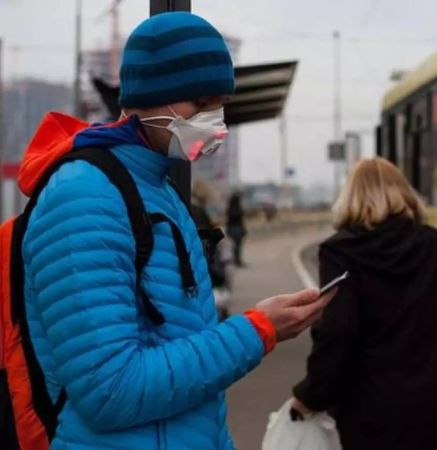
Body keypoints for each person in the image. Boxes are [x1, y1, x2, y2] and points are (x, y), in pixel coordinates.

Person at [19, 12, 335, 449]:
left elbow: (189, 382)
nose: (214, 119)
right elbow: (110, 390)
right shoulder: (84, 198)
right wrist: (258, 329)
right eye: (200, 103)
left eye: (219, 104)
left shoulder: (157, 190)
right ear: (150, 97)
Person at [290, 157, 437, 450]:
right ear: (403, 192)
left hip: (370, 407)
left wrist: (309, 396)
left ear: (351, 196)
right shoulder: (436, 243)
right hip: (436, 405)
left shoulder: (340, 252)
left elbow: (338, 331)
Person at [227, 191, 247, 267]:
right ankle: (237, 261)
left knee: (235, 246)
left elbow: (228, 221)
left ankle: (235, 260)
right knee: (237, 246)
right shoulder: (237, 209)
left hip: (232, 229)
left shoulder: (230, 209)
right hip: (237, 229)